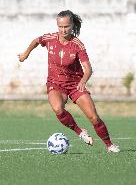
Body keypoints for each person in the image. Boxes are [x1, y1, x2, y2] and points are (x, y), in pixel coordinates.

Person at [18, 10, 120, 153]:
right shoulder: (50, 38)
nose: (63, 30)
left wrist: (83, 81)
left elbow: (88, 69)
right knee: (58, 109)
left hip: (75, 84)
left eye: (66, 26)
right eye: (60, 26)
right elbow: (36, 41)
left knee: (93, 117)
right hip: (55, 83)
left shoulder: (77, 44)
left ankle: (110, 145)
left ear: (72, 26)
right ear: (57, 25)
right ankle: (80, 132)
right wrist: (25, 54)